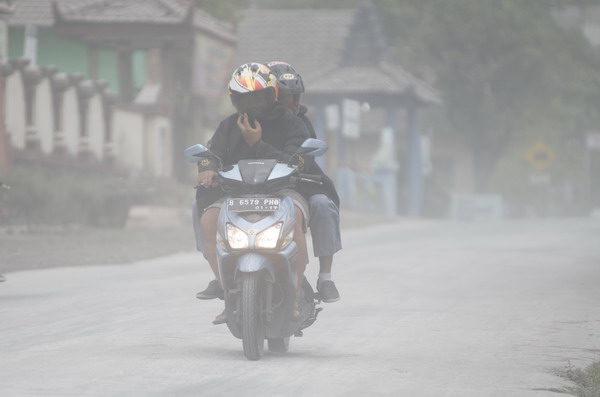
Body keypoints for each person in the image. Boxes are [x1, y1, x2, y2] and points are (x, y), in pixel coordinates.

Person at [194, 62, 314, 323]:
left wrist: (257, 144)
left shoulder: (293, 124)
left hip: (283, 193)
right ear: (235, 101)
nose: (254, 105)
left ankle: (294, 297)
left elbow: (298, 161)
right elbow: (210, 153)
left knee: (295, 217)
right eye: (246, 99)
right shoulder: (228, 125)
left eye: (259, 97)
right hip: (234, 195)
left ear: (272, 95)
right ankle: (226, 291)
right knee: (207, 221)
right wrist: (207, 169)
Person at [266, 61, 342, 303]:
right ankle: (223, 280)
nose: (292, 104)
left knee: (322, 205)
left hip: (299, 184)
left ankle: (326, 277)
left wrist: (294, 167)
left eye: (295, 97)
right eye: (285, 98)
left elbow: (305, 157)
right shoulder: (246, 120)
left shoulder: (301, 123)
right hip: (254, 186)